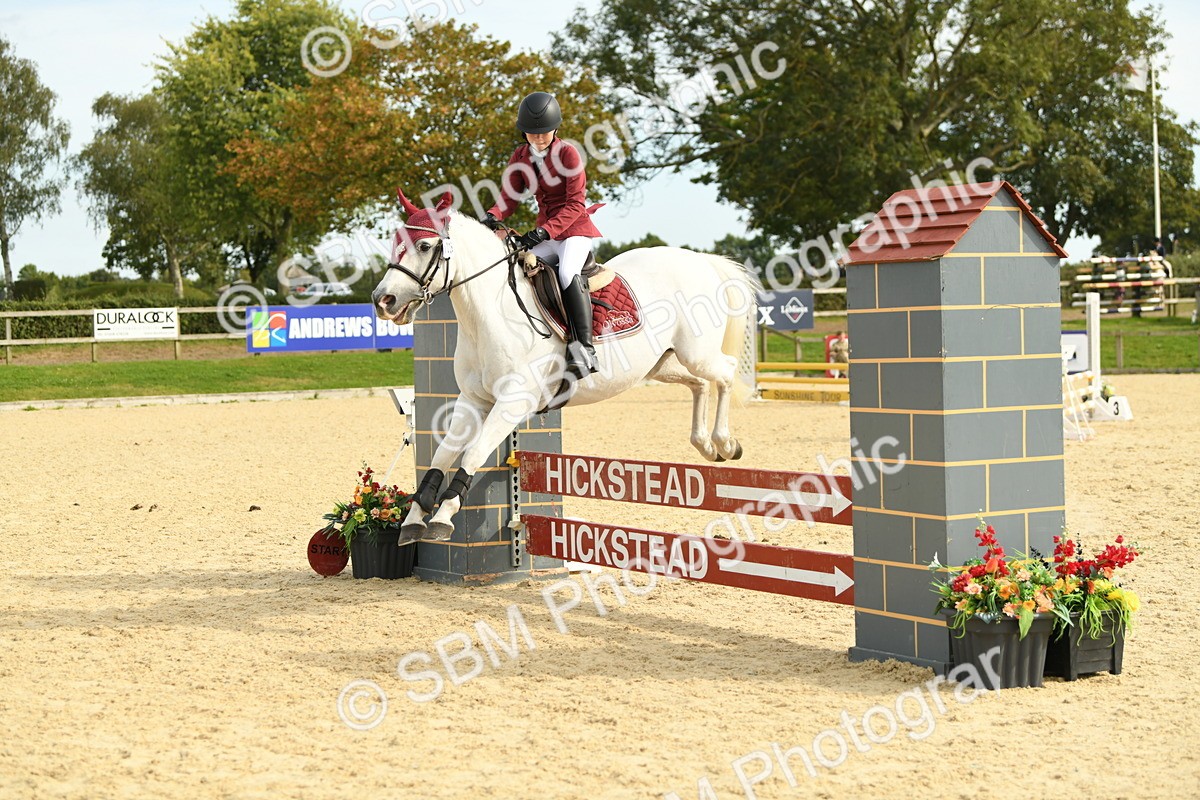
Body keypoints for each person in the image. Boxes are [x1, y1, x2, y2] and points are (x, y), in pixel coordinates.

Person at [480, 92, 602, 374]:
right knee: (518, 269)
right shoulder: (520, 156)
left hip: (574, 231)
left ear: (555, 129)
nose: (538, 138)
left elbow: (575, 204)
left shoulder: (569, 154)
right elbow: (509, 197)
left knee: (567, 272)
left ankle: (585, 349)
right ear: (523, 132)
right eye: (532, 133)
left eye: (544, 132)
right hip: (546, 233)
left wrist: (544, 231)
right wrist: (493, 215)